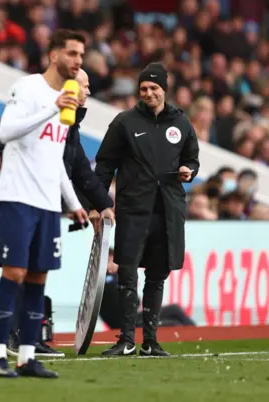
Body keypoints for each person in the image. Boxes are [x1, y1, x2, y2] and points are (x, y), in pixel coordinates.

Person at [0, 28, 88, 379]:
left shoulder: (67, 99)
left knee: (38, 278)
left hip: (47, 203)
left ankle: (27, 357)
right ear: (54, 56)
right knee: (13, 272)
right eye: (72, 54)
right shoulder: (29, 88)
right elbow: (4, 132)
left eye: (81, 55)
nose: (77, 61)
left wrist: (73, 202)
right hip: (16, 196)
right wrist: (51, 107)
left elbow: (55, 157)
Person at [6, 68, 116, 358]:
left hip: (48, 201)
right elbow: (7, 136)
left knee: (35, 270)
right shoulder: (49, 114)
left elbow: (76, 168)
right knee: (22, 269)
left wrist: (99, 203)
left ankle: (26, 337)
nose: (88, 92)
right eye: (85, 85)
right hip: (26, 199)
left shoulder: (70, 125)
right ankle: (12, 336)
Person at [94, 62, 200, 357]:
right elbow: (104, 164)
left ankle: (150, 341)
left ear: (164, 89)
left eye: (154, 88)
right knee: (127, 271)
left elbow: (193, 158)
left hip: (167, 210)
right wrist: (98, 203)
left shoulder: (181, 122)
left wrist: (188, 170)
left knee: (157, 274)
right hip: (133, 208)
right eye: (143, 89)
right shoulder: (124, 122)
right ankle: (127, 339)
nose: (149, 93)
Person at [100, 249, 196, 330]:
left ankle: (197, 333)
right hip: (129, 325)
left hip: (136, 318)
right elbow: (130, 302)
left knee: (174, 309)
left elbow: (134, 301)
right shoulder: (107, 281)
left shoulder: (116, 278)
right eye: (110, 261)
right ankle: (196, 337)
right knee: (174, 325)